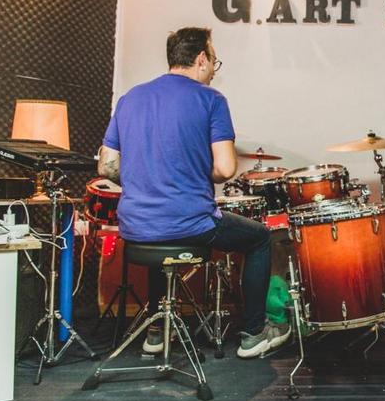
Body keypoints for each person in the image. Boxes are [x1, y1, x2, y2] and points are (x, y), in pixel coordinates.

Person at [98, 27, 290, 358]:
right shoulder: (210, 100)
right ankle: (253, 334)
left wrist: (146, 177)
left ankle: (156, 333)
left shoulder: (130, 99)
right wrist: (192, 168)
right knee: (259, 238)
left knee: (163, 236)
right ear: (201, 59)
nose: (215, 69)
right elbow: (226, 169)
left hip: (136, 227)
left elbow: (107, 166)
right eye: (215, 61)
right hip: (189, 222)